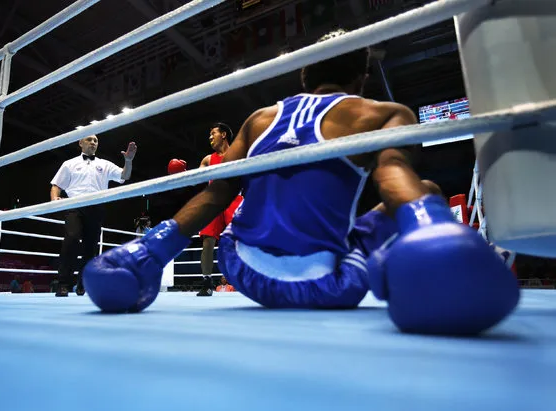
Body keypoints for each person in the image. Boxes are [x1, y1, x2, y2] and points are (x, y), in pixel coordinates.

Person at [83, 30, 519, 335]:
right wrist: (430, 230)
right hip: (330, 284)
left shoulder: (259, 119)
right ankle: (426, 233)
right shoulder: (381, 113)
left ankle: (145, 253)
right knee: (427, 192)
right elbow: (393, 178)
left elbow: (216, 193)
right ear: (361, 79)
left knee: (229, 194)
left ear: (303, 76)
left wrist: (148, 252)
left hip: (244, 269)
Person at [50, 134, 136, 297]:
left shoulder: (104, 164)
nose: (93, 142)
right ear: (80, 142)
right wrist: (54, 198)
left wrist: (129, 161)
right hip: (73, 205)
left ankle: (84, 283)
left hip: (96, 206)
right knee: (72, 238)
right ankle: (63, 283)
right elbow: (56, 185)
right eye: (89, 139)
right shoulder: (69, 164)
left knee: (91, 247)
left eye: (95, 140)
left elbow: (124, 176)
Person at [197, 123, 243, 297]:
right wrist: (182, 173)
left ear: (223, 134)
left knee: (240, 240)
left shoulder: (239, 154)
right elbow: (195, 178)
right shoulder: (207, 159)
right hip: (214, 199)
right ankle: (207, 282)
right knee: (207, 240)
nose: (210, 137)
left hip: (234, 198)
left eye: (213, 133)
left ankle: (243, 278)